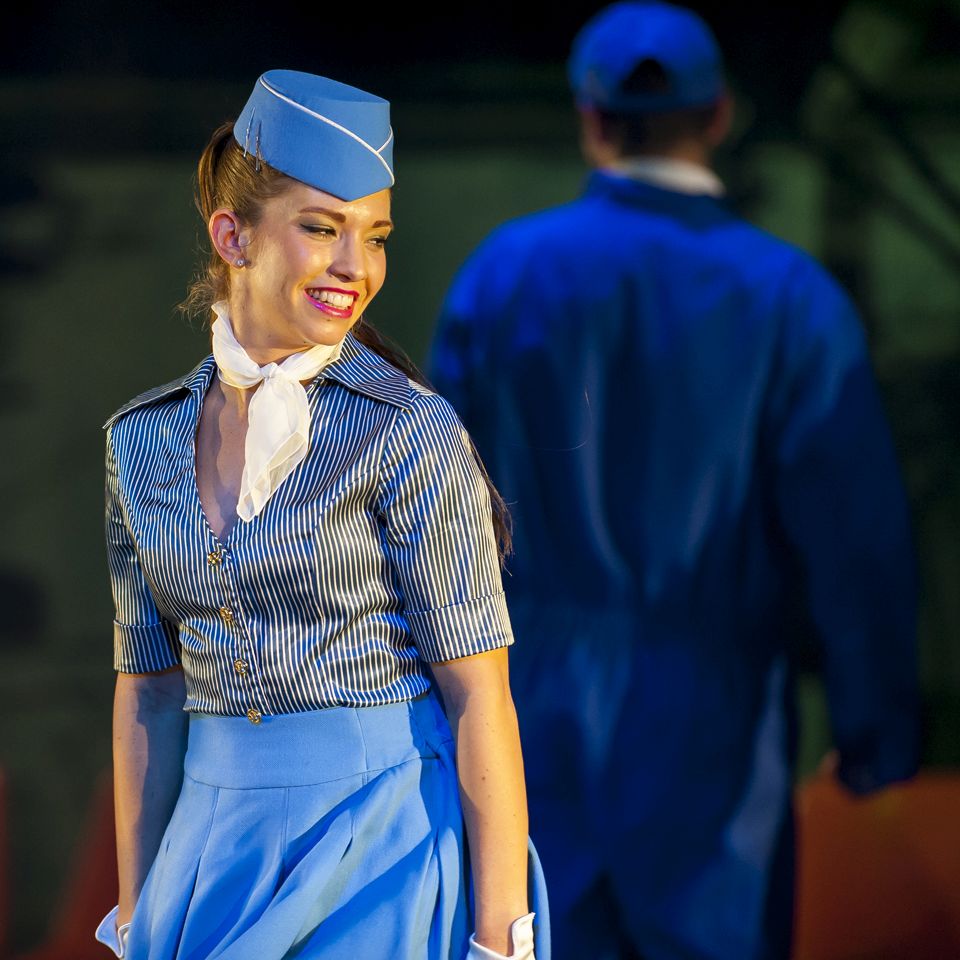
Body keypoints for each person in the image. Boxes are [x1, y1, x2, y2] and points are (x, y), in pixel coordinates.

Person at [428, 4, 919, 959]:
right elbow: (855, 540)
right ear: (720, 115)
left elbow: (431, 521)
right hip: (714, 730)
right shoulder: (790, 300)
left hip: (523, 714)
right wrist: (875, 728)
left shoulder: (501, 280)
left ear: (592, 119)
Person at [93, 69, 549, 960]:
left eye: (374, 236)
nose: (356, 267)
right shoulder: (138, 441)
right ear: (232, 235)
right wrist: (139, 911)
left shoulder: (407, 428)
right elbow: (148, 690)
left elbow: (479, 695)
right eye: (320, 228)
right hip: (212, 851)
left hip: (383, 842)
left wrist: (502, 940)